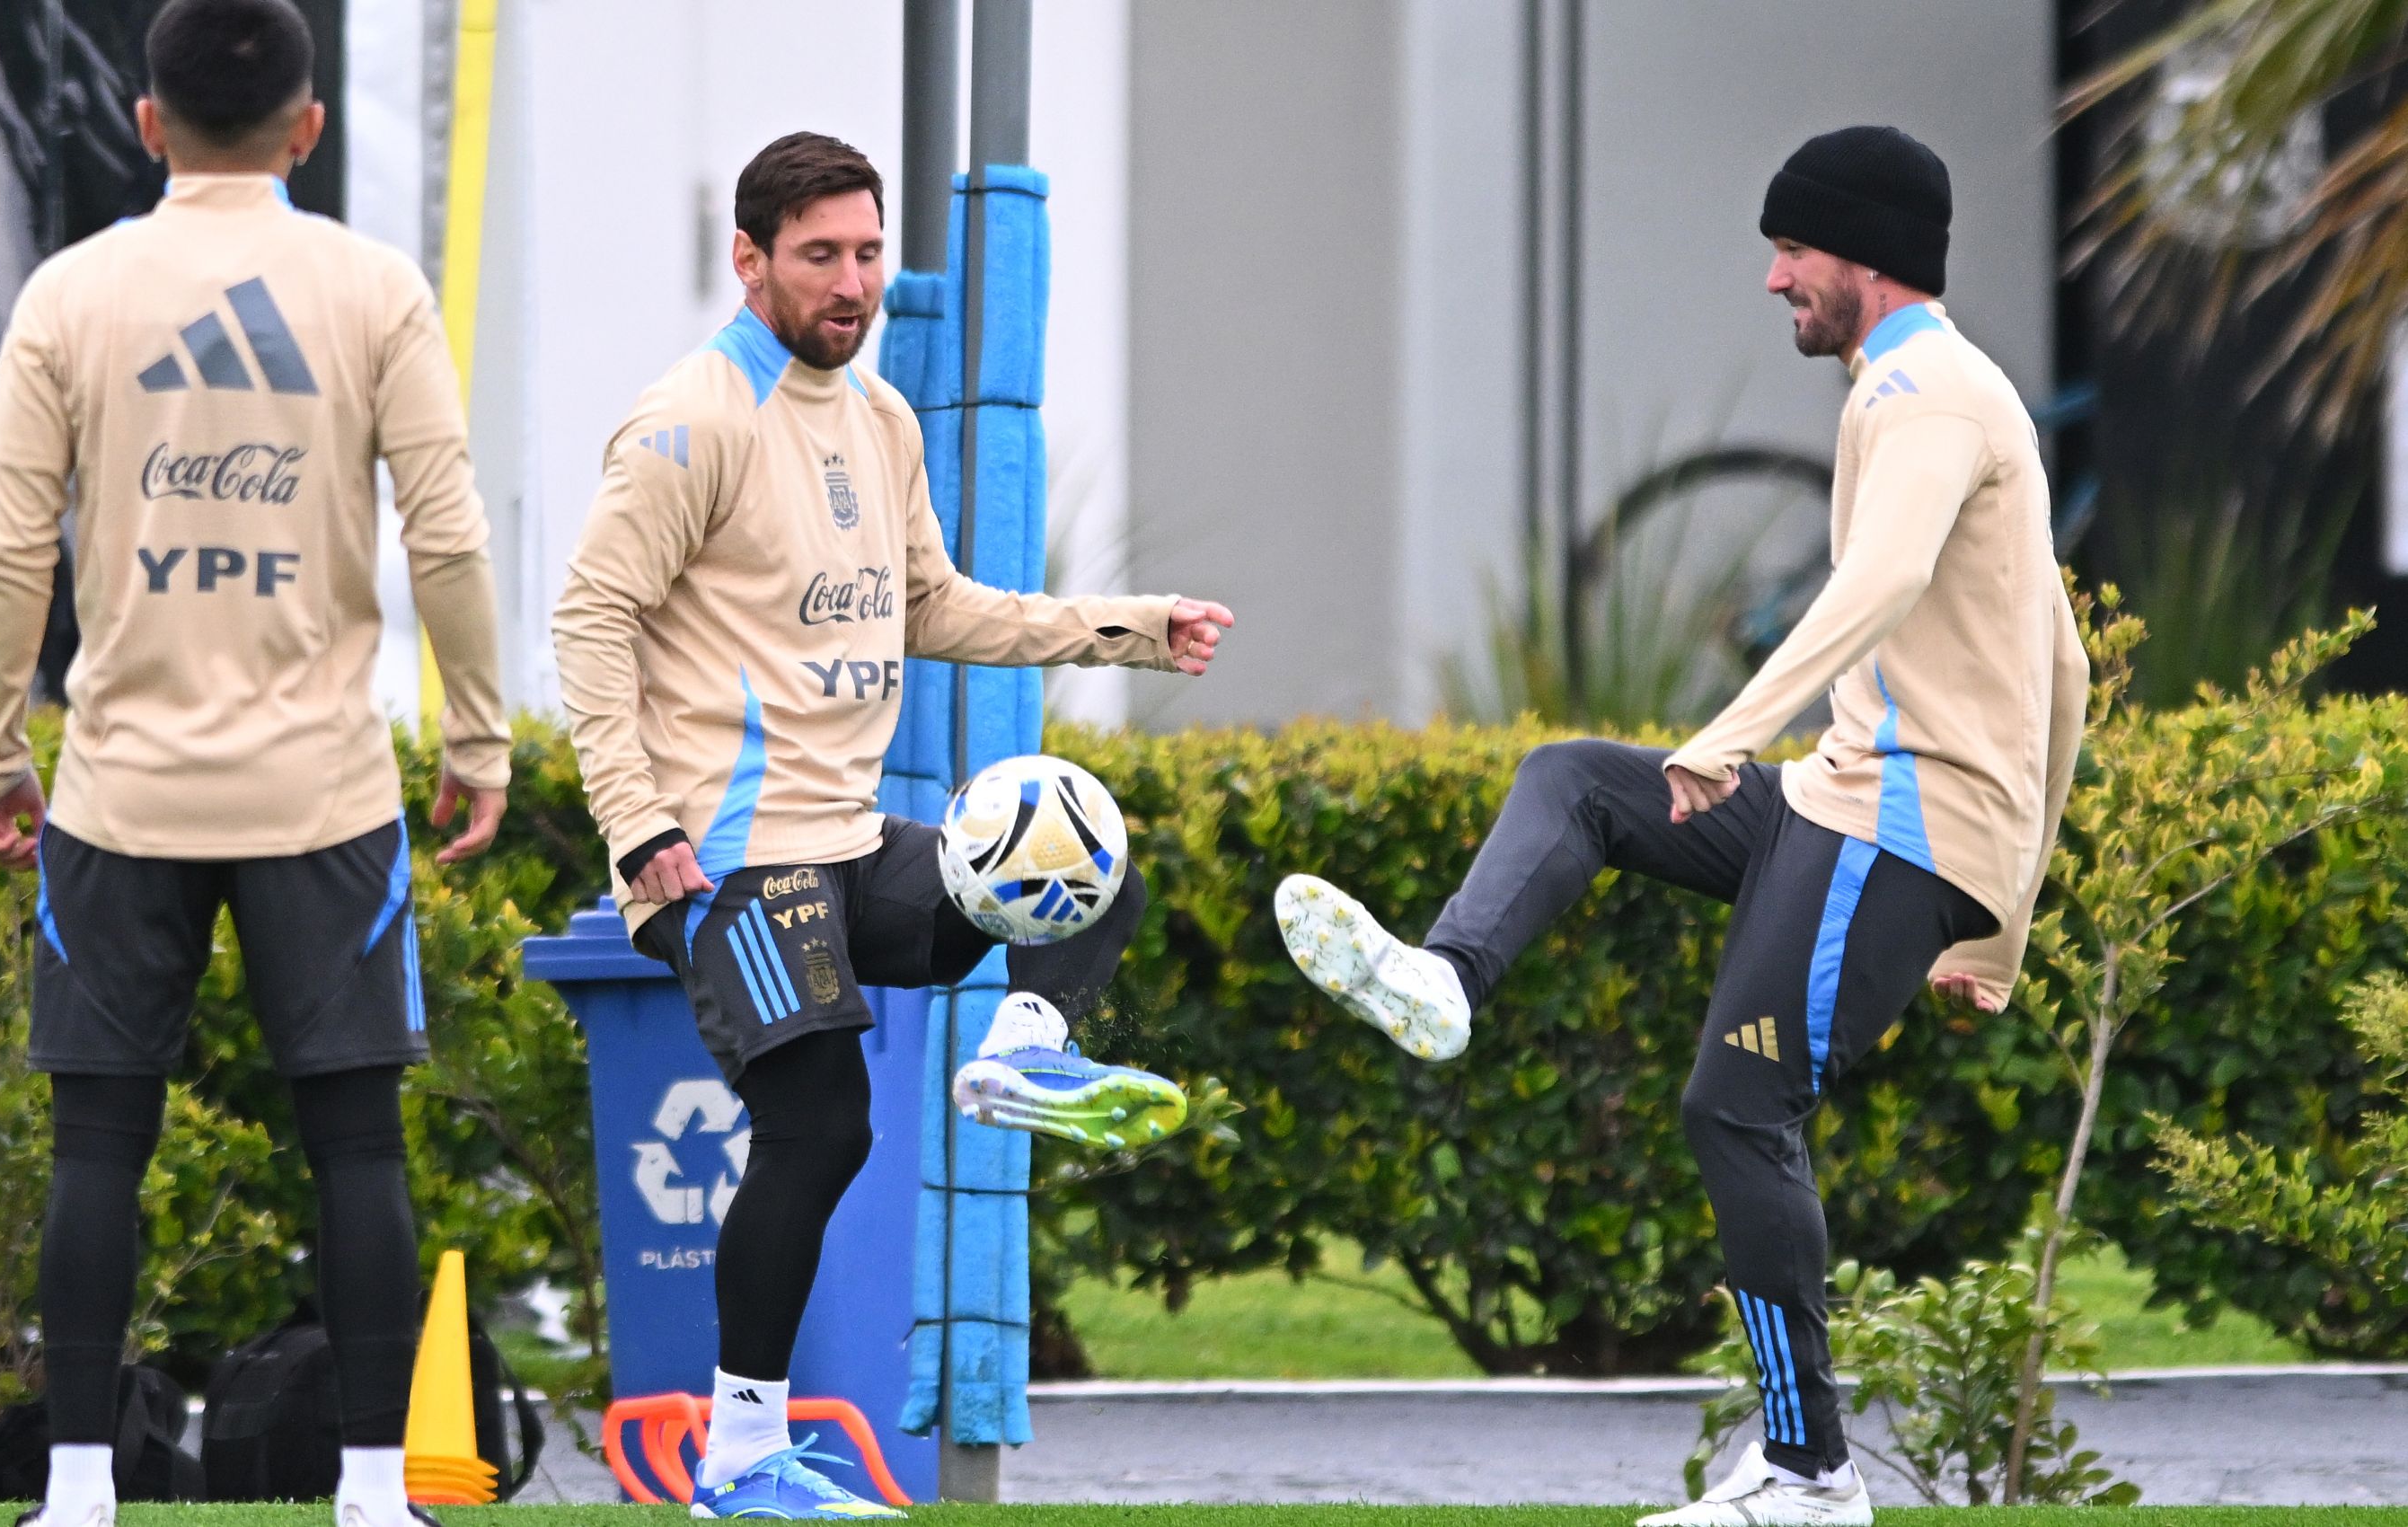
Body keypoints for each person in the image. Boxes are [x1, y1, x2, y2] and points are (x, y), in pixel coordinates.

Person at [1276, 125, 2086, 1527]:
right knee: (1577, 777)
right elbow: (2063, 670)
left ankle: (1810, 1474)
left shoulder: (1934, 395)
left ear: (1864, 254)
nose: (1774, 279)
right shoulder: (1918, 390)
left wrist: (1730, 740)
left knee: (1734, 1104)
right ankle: (1446, 980)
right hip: (1840, 800)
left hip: (1892, 825)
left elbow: (1882, 579)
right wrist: (2002, 932)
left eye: (1792, 249)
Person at [551, 131, 1235, 1521]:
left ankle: (1021, 1059)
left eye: (867, 253)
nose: (850, 281)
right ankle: (741, 1460)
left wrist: (1131, 629)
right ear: (749, 261)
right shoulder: (687, 420)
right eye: (819, 256)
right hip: (729, 862)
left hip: (849, 842)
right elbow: (588, 619)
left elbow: (932, 606)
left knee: (1079, 866)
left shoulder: (880, 421)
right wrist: (637, 832)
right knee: (820, 1128)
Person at [0, 2, 509, 1524]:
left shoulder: (71, 294)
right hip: (323, 794)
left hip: (119, 792)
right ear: (308, 127)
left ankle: (76, 1490)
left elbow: (9, 553)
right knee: (354, 1141)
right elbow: (450, 537)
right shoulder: (373, 288)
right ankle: (374, 1493)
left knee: (95, 1143)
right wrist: (480, 737)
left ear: (147, 123)